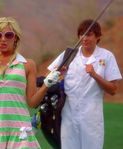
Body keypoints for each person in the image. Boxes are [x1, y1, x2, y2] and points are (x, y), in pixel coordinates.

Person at [0, 17, 60, 149]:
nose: (3, 39)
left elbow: (32, 103)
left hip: (20, 131)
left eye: (8, 35)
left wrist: (46, 85)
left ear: (15, 38)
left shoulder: (28, 64)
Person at [47, 19, 122, 149]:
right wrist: (59, 75)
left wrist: (95, 75)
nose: (84, 38)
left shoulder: (106, 56)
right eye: (82, 34)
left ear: (98, 37)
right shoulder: (69, 55)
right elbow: (49, 78)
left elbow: (113, 89)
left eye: (89, 34)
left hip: (91, 117)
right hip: (68, 115)